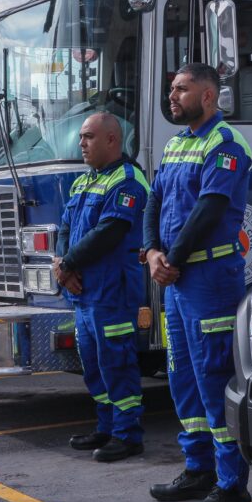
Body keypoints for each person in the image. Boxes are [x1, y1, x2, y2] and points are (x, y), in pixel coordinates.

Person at [145, 63, 252, 502]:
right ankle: (198, 469)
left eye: (182, 89)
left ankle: (232, 485)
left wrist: (172, 259)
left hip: (208, 280)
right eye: (171, 88)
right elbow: (154, 200)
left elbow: (210, 208)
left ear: (208, 96)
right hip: (177, 280)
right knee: (182, 379)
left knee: (214, 380)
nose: (173, 95)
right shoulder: (175, 144)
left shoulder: (225, 143)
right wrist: (152, 251)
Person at [54, 112, 150, 463]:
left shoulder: (128, 180)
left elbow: (109, 232)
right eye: (81, 137)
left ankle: (128, 435)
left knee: (117, 364)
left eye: (89, 137)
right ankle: (106, 427)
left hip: (112, 293)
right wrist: (63, 266)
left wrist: (67, 265)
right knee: (93, 365)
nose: (81, 143)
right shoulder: (84, 181)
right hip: (83, 293)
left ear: (112, 139)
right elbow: (64, 227)